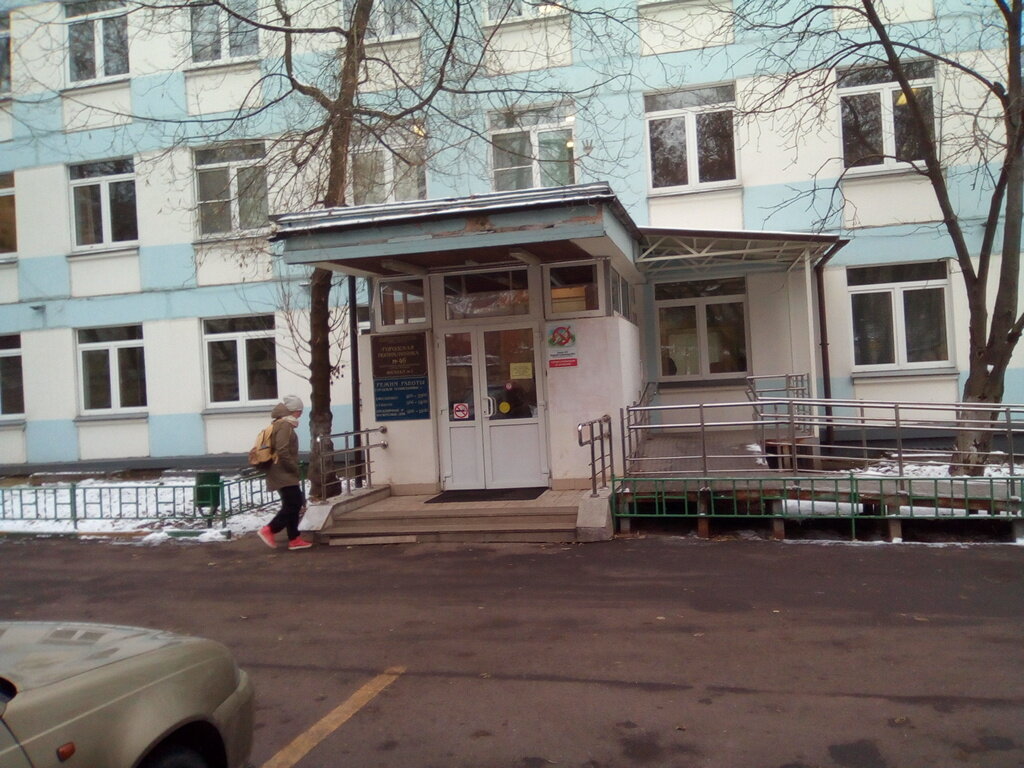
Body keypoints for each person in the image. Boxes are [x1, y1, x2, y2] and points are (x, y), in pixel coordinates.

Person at [258, 395, 312, 551]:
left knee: (292, 503)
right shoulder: (284, 425)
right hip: (282, 471)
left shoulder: (281, 423)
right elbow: (282, 450)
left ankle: (294, 539)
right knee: (294, 503)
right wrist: (293, 467)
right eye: (300, 410)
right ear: (294, 410)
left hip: (281, 470)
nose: (301, 413)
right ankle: (270, 529)